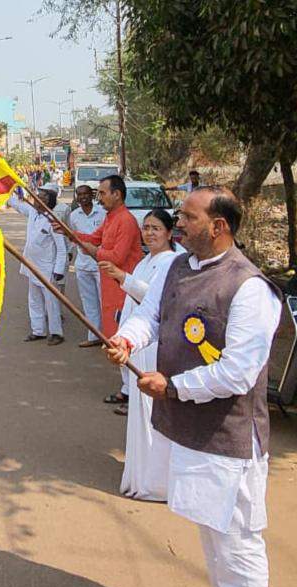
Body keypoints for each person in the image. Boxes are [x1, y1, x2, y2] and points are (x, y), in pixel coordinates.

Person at [105, 186, 281, 587]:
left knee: (238, 543)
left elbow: (238, 374)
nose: (177, 224)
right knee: (210, 529)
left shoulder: (250, 289)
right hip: (189, 431)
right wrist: (128, 339)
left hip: (229, 440)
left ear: (218, 227)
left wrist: (174, 387)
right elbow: (151, 314)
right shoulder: (180, 266)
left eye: (187, 217)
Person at [99, 209, 184, 501]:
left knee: (153, 414)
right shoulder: (147, 261)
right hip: (137, 345)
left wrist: (124, 277)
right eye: (146, 228)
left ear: (169, 233)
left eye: (156, 228)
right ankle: (141, 473)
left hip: (154, 348)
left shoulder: (172, 262)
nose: (150, 233)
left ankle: (158, 481)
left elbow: (156, 302)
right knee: (140, 413)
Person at [73, 175, 143, 339]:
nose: (99, 198)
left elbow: (117, 257)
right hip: (110, 284)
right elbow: (94, 238)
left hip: (123, 286)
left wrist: (94, 251)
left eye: (103, 194)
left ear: (117, 194)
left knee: (123, 335)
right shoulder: (111, 217)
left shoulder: (126, 220)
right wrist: (68, 233)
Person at [7, 187, 69, 345]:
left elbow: (61, 249)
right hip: (31, 266)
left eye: (40, 197)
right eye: (35, 196)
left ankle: (56, 334)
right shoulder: (33, 213)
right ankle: (38, 331)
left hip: (47, 269)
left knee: (51, 303)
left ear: (48, 201)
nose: (35, 199)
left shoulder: (53, 220)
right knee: (34, 300)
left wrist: (58, 271)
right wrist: (8, 189)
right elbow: (15, 203)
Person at [68, 184, 107, 348]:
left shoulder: (103, 213)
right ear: (77, 197)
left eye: (86, 194)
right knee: (89, 302)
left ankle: (109, 337)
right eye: (79, 194)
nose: (83, 197)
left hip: (101, 264)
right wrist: (70, 253)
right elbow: (72, 237)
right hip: (82, 265)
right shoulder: (74, 215)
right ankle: (94, 336)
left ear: (92, 195)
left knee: (104, 301)